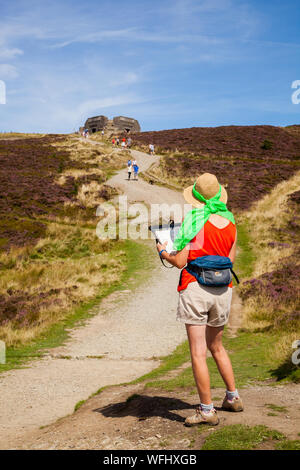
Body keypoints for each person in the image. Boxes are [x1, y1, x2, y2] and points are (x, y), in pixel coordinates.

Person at [156, 173, 243, 427]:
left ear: (196, 197)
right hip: (223, 289)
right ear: (218, 195)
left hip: (195, 287)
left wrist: (163, 251)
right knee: (217, 346)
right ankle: (232, 397)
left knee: (197, 352)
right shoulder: (230, 221)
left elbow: (180, 261)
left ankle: (206, 411)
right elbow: (231, 260)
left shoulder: (193, 221)